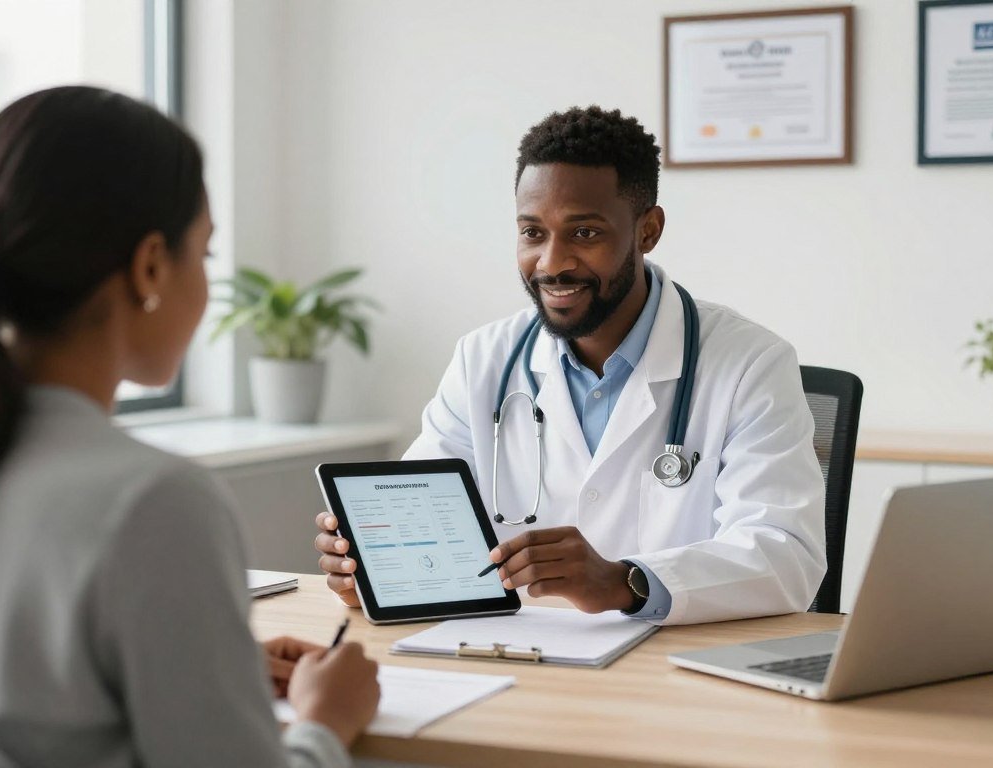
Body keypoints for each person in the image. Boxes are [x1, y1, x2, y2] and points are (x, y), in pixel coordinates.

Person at [0, 86, 379, 767]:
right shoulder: (153, 500)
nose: (206, 283)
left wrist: (212, 672)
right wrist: (328, 721)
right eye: (204, 254)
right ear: (150, 265)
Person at [316, 106, 827, 626]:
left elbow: (785, 555)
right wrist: (375, 568)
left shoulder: (749, 363)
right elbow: (415, 514)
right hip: (516, 658)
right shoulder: (483, 359)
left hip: (674, 668)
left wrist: (626, 581)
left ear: (648, 231)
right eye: (533, 233)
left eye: (584, 234)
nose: (552, 262)